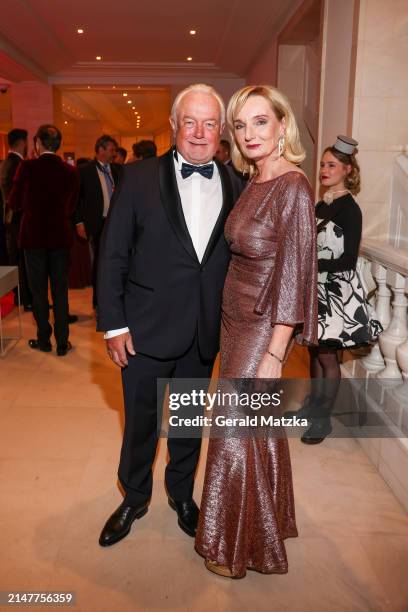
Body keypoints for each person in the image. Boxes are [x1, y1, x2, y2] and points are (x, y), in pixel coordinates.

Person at [97, 83, 243, 548]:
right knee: (140, 422)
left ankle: (181, 494)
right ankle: (133, 496)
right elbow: (113, 254)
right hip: (143, 330)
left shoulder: (238, 184)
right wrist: (114, 324)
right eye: (190, 122)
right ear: (174, 126)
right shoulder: (137, 177)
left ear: (222, 131)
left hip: (202, 331)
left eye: (210, 123)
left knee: (186, 423)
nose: (200, 133)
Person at [195, 85, 318, 578]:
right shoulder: (256, 178)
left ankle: (231, 545)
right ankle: (267, 526)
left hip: (264, 324)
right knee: (256, 431)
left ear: (282, 125)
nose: (249, 134)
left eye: (260, 122)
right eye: (241, 125)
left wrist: (275, 352)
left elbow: (294, 272)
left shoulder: (293, 186)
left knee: (230, 428)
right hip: (234, 318)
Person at [295, 136, 382, 444]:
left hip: (335, 291)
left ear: (347, 170)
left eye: (331, 165)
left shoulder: (350, 209)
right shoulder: (322, 203)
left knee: (329, 356)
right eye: (322, 164)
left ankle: (323, 420)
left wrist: (312, 265)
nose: (324, 170)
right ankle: (313, 406)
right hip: (314, 289)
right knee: (314, 352)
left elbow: (347, 259)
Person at [8, 125, 80, 356]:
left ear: (38, 142)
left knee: (38, 291)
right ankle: (62, 342)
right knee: (60, 291)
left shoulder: (26, 167)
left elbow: (14, 202)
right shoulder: (70, 172)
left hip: (33, 237)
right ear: (57, 144)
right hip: (59, 236)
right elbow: (71, 206)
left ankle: (43, 340)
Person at [75, 135, 121, 308]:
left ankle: (113, 298)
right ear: (100, 150)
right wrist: (79, 222)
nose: (114, 154)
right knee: (100, 262)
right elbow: (77, 199)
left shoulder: (117, 169)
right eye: (111, 150)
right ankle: (98, 301)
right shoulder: (84, 170)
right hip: (97, 223)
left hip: (115, 223)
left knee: (115, 262)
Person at [0, 128, 33, 310]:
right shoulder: (17, 164)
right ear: (22, 142)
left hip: (12, 219)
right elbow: (14, 196)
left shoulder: (8, 162)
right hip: (18, 219)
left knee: (18, 258)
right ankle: (25, 299)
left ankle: (23, 298)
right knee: (21, 260)